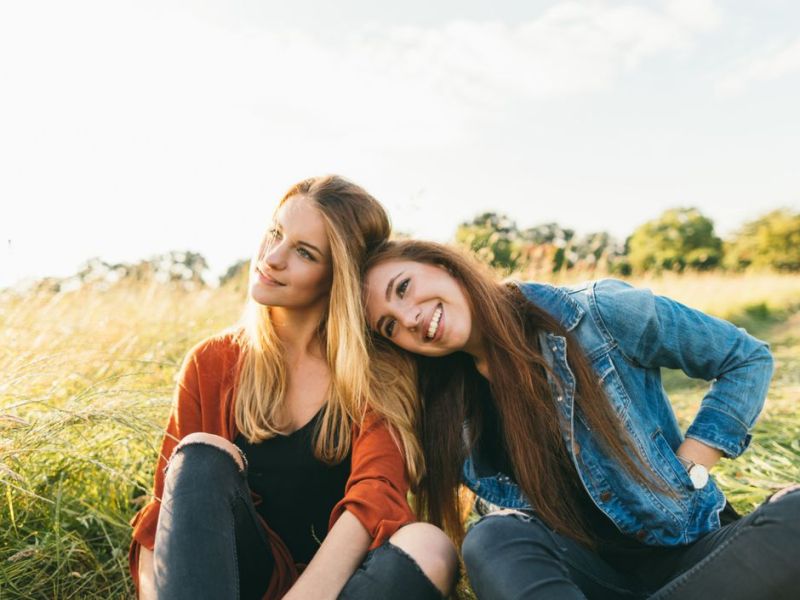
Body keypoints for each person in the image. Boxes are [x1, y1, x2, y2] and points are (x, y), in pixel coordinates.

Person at [362, 239, 800, 600]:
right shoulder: (445, 410)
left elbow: (745, 358)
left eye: (403, 288)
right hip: (579, 584)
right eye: (389, 327)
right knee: (490, 538)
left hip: (698, 552)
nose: (410, 318)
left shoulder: (598, 313)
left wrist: (692, 466)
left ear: (445, 265)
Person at [129, 177, 457, 600]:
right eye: (276, 232)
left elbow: (375, 498)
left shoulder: (379, 373)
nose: (273, 257)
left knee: (430, 547)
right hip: (229, 582)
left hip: (338, 588)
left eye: (304, 252)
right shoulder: (212, 362)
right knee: (199, 456)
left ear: (337, 279)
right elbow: (165, 521)